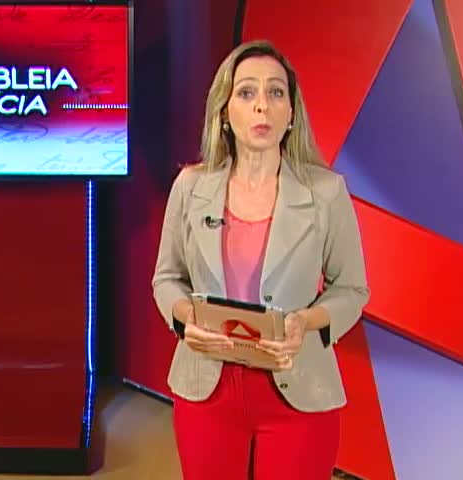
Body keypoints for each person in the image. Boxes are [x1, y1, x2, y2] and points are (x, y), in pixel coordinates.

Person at [151, 39, 370, 480]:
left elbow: (352, 290)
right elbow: (166, 278)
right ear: (224, 111)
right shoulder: (190, 186)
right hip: (207, 386)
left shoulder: (327, 192)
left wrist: (305, 322)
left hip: (298, 387)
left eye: (276, 93)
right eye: (247, 92)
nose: (261, 106)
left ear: (291, 113)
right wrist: (187, 318)